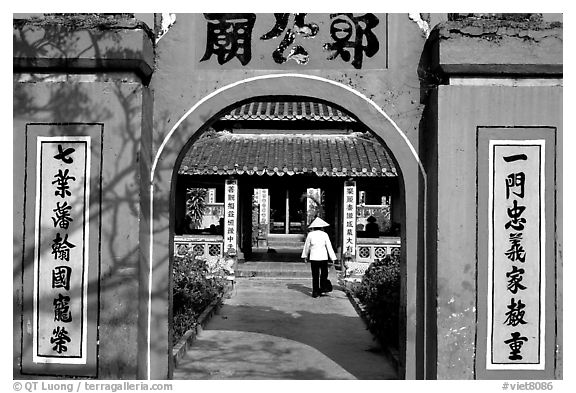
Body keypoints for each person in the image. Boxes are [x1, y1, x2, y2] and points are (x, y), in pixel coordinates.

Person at [301, 217, 337, 298]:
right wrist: (333, 257)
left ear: (313, 227)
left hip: (314, 257)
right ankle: (322, 288)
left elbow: (306, 246)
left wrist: (305, 256)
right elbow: (329, 246)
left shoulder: (310, 235)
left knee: (315, 275)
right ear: (321, 227)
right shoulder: (325, 235)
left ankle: (315, 292)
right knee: (324, 274)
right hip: (323, 257)